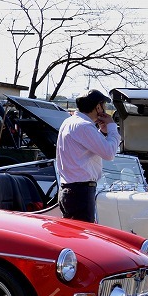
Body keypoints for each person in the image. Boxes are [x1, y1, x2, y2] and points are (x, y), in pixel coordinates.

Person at [54, 89, 121, 223]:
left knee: (74, 236)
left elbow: (85, 147)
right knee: (83, 237)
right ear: (98, 107)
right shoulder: (84, 126)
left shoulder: (69, 122)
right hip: (80, 192)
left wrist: (101, 132)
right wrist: (112, 128)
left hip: (69, 189)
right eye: (104, 105)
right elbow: (109, 153)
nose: (105, 109)